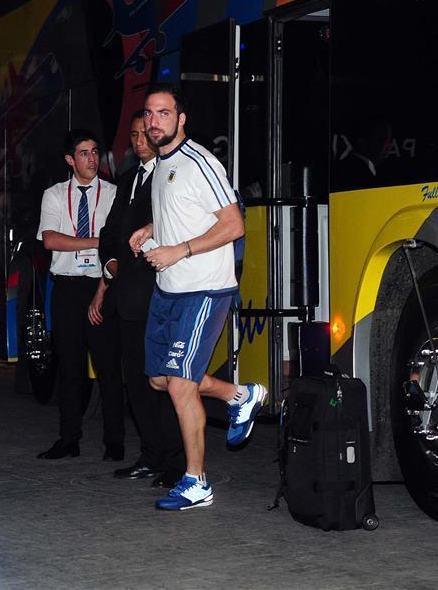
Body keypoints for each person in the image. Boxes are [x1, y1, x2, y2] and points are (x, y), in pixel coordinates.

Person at [129, 83, 268, 511]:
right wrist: (151, 231)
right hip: (168, 289)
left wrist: (179, 250)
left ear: (181, 118)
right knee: (159, 378)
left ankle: (196, 481)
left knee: (180, 385)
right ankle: (238, 396)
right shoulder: (159, 165)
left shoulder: (200, 161)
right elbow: (183, 211)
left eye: (164, 114)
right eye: (149, 114)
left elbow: (232, 224)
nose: (154, 122)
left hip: (204, 288)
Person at [99, 111, 185, 486]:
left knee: (163, 381)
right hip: (127, 296)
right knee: (135, 380)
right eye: (132, 135)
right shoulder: (128, 179)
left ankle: (174, 461)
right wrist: (112, 263)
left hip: (158, 293)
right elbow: (110, 232)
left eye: (142, 134)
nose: (137, 141)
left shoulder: (171, 176)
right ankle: (150, 454)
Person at [36, 129, 124, 460]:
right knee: (69, 367)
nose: (91, 158)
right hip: (68, 287)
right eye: (84, 153)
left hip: (101, 284)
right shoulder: (55, 195)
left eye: (94, 151)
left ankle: (114, 442)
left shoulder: (114, 193)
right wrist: (98, 242)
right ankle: (68, 439)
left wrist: (101, 248)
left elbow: (119, 243)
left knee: (108, 367)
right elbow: (50, 240)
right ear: (70, 160)